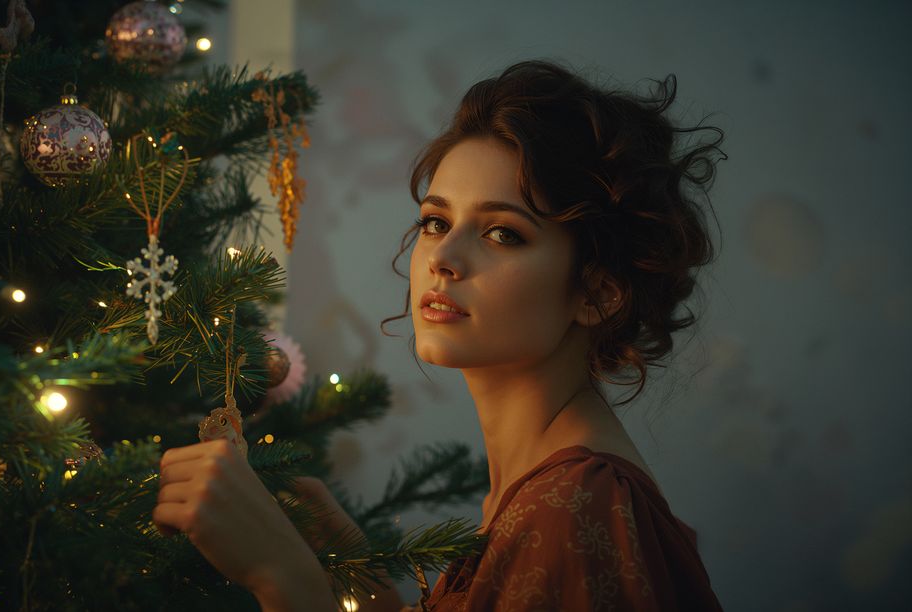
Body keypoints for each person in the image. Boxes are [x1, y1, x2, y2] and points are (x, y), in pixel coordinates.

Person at [153, 58, 726, 611]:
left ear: (598, 293)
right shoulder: (540, 486)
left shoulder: (576, 505)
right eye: (436, 222)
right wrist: (359, 578)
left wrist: (282, 577)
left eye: (502, 233)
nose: (442, 258)